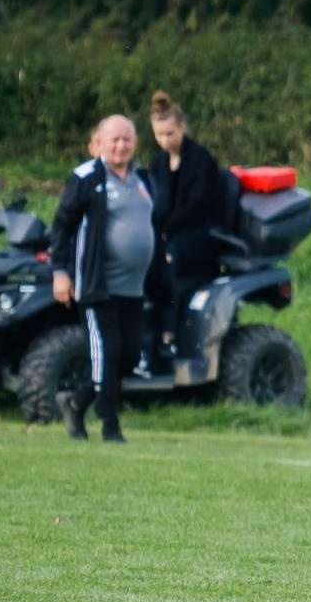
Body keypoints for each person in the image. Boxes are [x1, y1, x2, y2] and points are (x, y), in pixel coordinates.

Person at [51, 114, 162, 443]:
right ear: (99, 143)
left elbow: (153, 224)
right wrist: (60, 273)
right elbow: (61, 227)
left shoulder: (143, 179)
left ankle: (75, 402)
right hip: (97, 287)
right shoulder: (87, 177)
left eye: (127, 139)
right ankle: (110, 424)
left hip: (134, 289)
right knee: (107, 355)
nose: (121, 145)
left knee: (129, 358)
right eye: (115, 139)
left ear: (135, 142)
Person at [147, 91, 224, 358]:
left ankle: (168, 334)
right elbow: (154, 203)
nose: (165, 140)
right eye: (159, 135)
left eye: (170, 134)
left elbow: (197, 204)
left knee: (167, 259)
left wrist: (166, 232)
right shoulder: (158, 163)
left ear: (182, 127)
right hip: (168, 232)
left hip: (200, 233)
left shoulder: (200, 159)